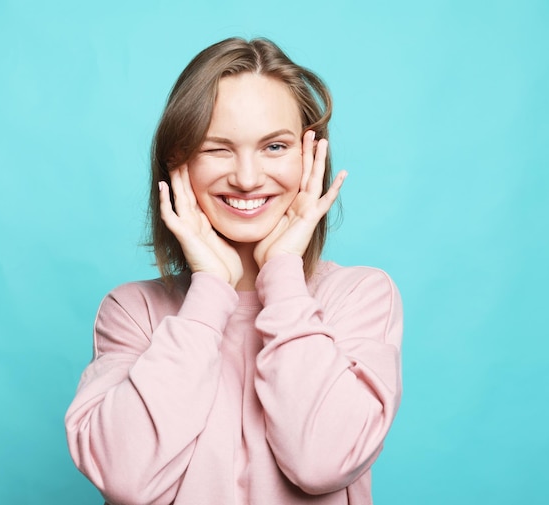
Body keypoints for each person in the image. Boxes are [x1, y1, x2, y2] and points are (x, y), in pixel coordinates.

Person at [65, 37, 403, 505]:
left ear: (311, 157)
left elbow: (322, 461)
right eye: (217, 149)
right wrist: (208, 293)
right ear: (178, 165)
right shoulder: (133, 311)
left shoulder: (359, 297)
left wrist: (282, 274)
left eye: (275, 146)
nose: (246, 177)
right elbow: (126, 479)